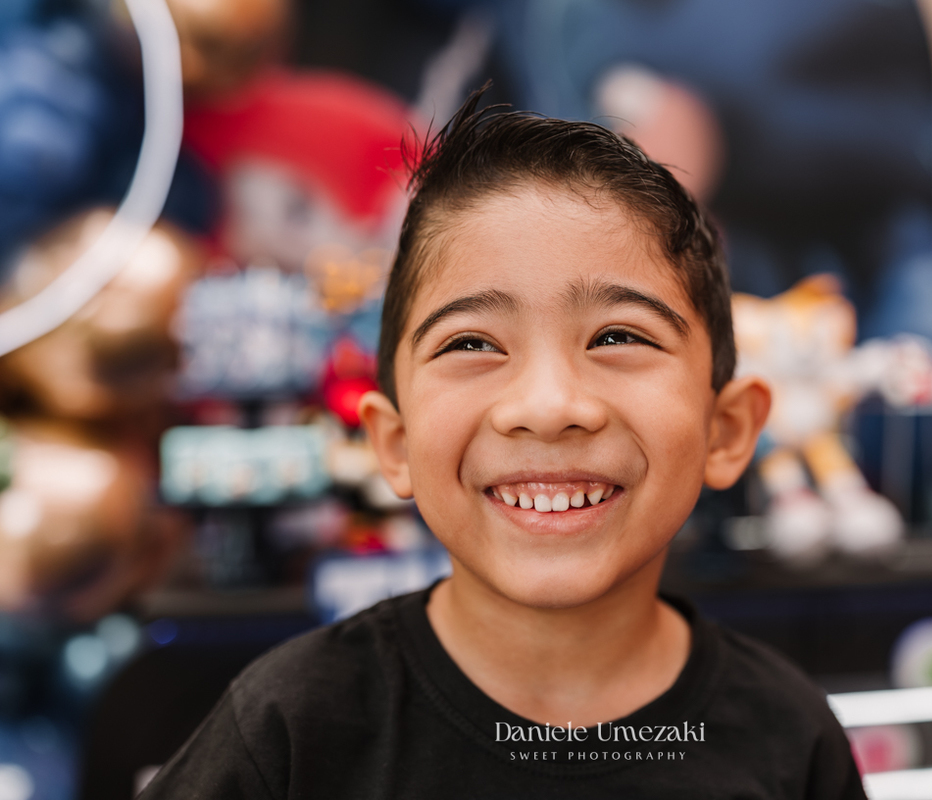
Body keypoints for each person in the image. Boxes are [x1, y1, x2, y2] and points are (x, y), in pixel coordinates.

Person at [140, 91, 867, 799]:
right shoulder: (290, 732)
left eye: (617, 336)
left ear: (727, 430)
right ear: (391, 444)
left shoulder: (789, 739)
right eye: (473, 343)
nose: (548, 408)